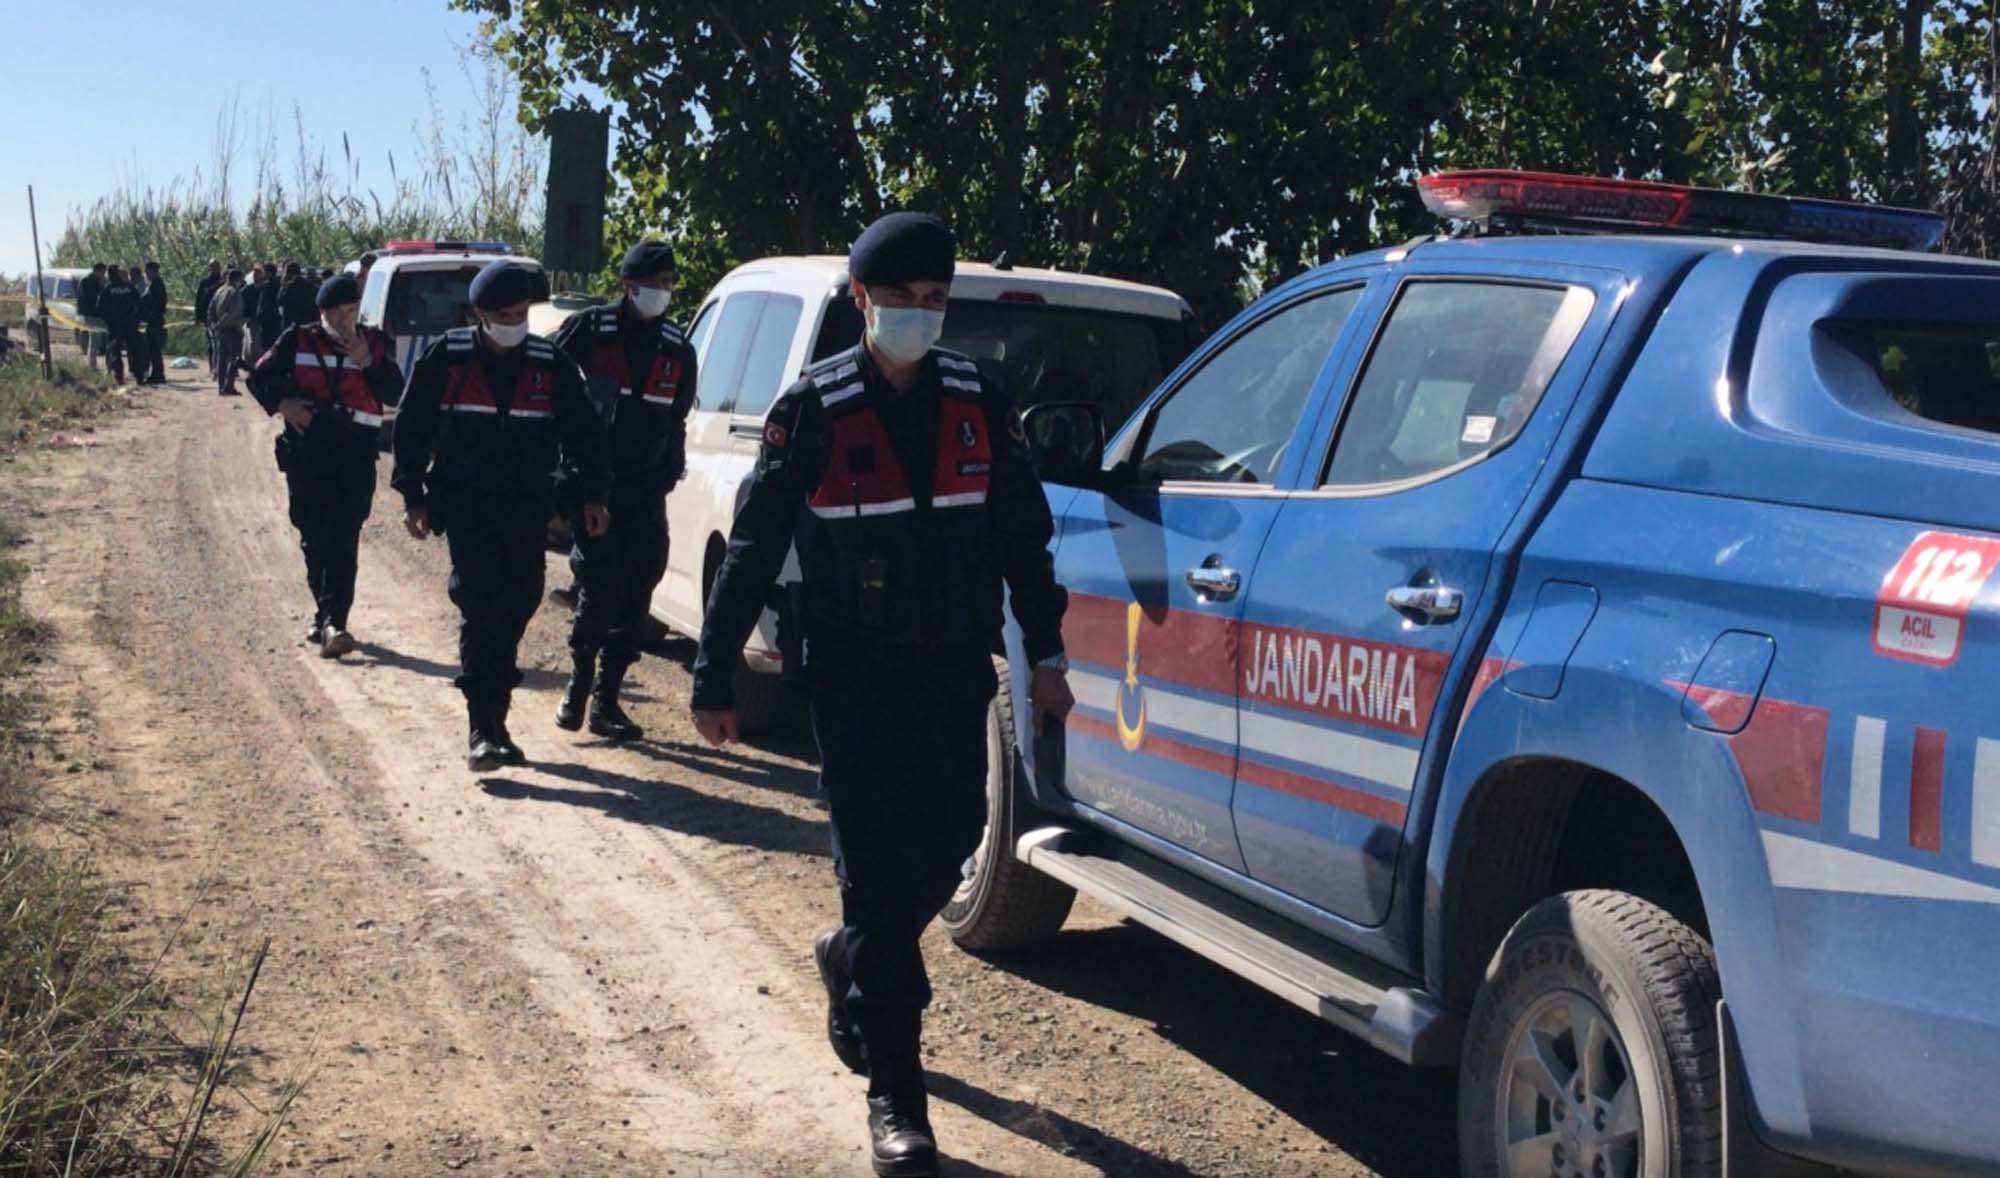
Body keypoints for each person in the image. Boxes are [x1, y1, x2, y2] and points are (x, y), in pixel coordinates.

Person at [689, 212, 1074, 1178]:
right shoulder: (810, 411)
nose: (917, 315)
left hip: (954, 669)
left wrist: (1048, 654)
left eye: (933, 301)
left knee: (947, 849)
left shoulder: (980, 398)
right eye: (898, 300)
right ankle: (897, 1101)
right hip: (854, 678)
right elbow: (751, 547)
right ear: (861, 300)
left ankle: (855, 956)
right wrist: (713, 671)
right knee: (873, 869)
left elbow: (1025, 540)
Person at [392, 261, 610, 772]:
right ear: (478, 314)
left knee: (520, 603)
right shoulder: (448, 358)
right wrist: (412, 496)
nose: (515, 322)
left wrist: (593, 496)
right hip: (467, 507)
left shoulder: (549, 363)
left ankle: (497, 721)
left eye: (521, 313)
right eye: (503, 314)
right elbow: (412, 428)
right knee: (481, 608)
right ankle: (481, 729)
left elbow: (585, 435)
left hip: (526, 508)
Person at [546, 241, 697, 740]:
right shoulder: (592, 330)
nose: (660, 293)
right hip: (593, 487)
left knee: (639, 590)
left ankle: (607, 700)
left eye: (667, 285)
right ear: (628, 286)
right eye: (651, 284)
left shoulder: (678, 348)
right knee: (602, 586)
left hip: (645, 492)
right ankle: (579, 684)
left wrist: (669, 472)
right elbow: (549, 386)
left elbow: (676, 420)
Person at [249, 274, 404, 657]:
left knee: (344, 536)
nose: (345, 320)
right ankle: (323, 613)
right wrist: (283, 405)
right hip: (309, 453)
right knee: (313, 536)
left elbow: (395, 392)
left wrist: (365, 360)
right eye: (336, 313)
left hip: (355, 454)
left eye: (351, 311)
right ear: (322, 312)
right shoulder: (297, 340)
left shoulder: (376, 344)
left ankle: (337, 621)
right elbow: (258, 378)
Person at [97, 265, 141, 384]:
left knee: (115, 351)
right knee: (134, 350)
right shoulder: (129, 286)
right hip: (130, 324)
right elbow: (138, 303)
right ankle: (139, 376)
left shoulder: (108, 289)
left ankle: (119, 377)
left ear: (110, 274)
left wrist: (107, 320)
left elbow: (100, 307)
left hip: (115, 326)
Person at [210, 269, 247, 396]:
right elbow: (233, 312)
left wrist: (215, 324)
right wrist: (223, 323)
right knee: (234, 359)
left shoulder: (220, 290)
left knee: (222, 359)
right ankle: (228, 386)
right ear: (237, 279)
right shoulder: (234, 292)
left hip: (221, 330)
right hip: (232, 329)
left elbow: (212, 308)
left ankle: (221, 386)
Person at [138, 261, 169, 385]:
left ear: (151, 271)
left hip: (155, 321)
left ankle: (158, 375)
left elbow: (156, 303)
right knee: (153, 350)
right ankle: (156, 374)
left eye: (147, 272)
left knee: (154, 349)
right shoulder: (154, 284)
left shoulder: (157, 285)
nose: (146, 274)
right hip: (153, 320)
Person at [194, 259, 223, 375]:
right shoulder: (205, 282)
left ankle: (222, 366)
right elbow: (199, 300)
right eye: (212, 267)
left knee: (222, 343)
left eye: (216, 267)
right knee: (212, 343)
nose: (214, 269)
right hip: (209, 317)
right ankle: (213, 366)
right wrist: (198, 316)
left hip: (222, 316)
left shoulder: (223, 281)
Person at [76, 263, 106, 371]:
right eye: (102, 272)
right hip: (92, 315)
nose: (103, 275)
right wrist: (102, 287)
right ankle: (92, 365)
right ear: (96, 271)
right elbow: (94, 298)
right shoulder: (89, 281)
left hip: (91, 314)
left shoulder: (87, 280)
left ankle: (92, 364)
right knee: (94, 341)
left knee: (95, 341)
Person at [255, 262, 284, 357]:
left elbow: (263, 303)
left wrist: (259, 316)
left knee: (267, 345)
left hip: (267, 320)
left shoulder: (267, 285)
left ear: (269, 272)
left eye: (264, 271)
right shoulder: (280, 283)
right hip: (277, 319)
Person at [279, 262, 317, 328]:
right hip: (306, 322)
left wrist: (283, 287)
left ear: (288, 273)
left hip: (291, 323)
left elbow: (280, 301)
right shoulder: (310, 286)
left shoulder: (289, 286)